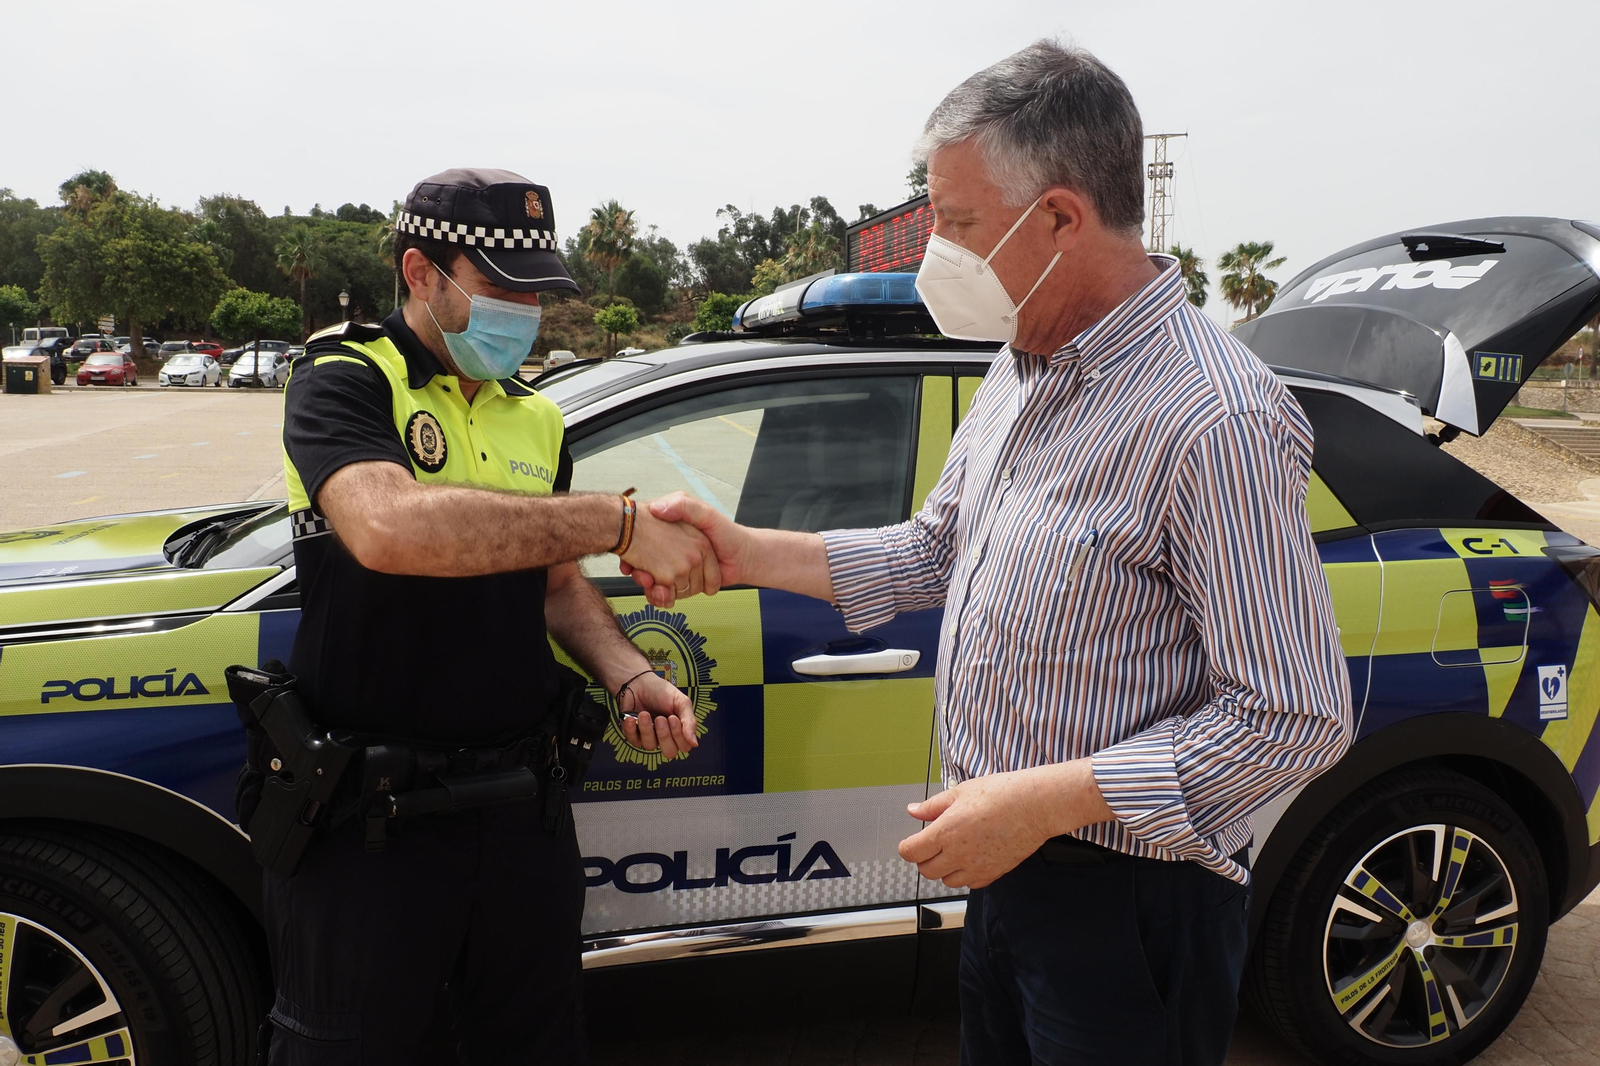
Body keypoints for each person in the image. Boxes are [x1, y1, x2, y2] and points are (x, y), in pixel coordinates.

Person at [627, 42, 1353, 1066]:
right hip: (1007, 870)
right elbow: (935, 551)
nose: (937, 255)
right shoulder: (1023, 363)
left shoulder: (1212, 417)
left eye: (958, 225)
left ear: (1059, 216)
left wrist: (1043, 799)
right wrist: (743, 550)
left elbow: (1292, 716)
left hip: (1126, 899)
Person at [262, 168, 717, 1064]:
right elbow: (387, 527)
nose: (525, 309)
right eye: (501, 286)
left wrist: (628, 672)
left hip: (521, 813)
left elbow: (553, 584)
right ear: (421, 272)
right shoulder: (345, 379)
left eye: (538, 292)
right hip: (372, 821)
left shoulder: (536, 418)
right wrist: (615, 519)